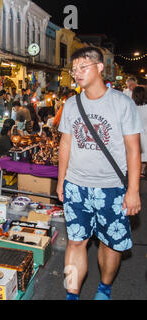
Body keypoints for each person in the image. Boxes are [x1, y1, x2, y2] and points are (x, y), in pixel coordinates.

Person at [57, 46, 142, 300]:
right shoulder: (71, 104)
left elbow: (133, 151)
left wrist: (134, 190)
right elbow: (65, 144)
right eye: (74, 69)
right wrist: (61, 182)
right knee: (75, 242)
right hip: (76, 185)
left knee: (109, 244)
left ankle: (104, 287)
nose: (77, 73)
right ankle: (72, 294)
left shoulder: (122, 103)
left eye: (83, 67)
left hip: (112, 187)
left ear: (100, 68)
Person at [133, 86, 147, 177]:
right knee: (145, 154)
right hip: (145, 133)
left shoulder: (131, 106)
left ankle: (136, 171)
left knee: (135, 153)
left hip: (134, 134)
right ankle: (142, 170)